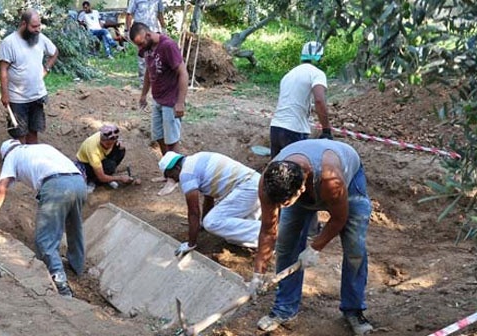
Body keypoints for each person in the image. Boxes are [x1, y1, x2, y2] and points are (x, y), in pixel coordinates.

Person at [251, 139, 372, 335]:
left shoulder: (331, 181)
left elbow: (340, 218)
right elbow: (267, 229)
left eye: (287, 203)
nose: (282, 207)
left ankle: (353, 309)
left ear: (301, 189)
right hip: (304, 184)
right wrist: (258, 272)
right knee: (286, 246)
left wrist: (314, 248)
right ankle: (285, 309)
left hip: (348, 180)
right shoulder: (269, 182)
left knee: (354, 248)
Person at [0, 140, 86, 298]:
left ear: (4, 155)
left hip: (56, 185)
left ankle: (61, 285)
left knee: (45, 239)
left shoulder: (11, 156)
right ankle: (77, 267)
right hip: (79, 182)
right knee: (75, 227)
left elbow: (1, 187)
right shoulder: (41, 147)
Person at [158, 151, 262, 256]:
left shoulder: (186, 174)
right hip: (257, 184)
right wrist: (202, 223)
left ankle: (272, 235)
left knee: (212, 222)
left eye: (170, 175)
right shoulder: (196, 159)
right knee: (234, 237)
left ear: (176, 168)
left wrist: (190, 244)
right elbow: (209, 197)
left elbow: (193, 212)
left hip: (248, 189)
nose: (173, 180)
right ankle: (267, 241)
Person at [130, 22, 188, 196]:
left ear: (148, 34)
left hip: (171, 100)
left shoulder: (168, 46)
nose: (140, 48)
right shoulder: (147, 48)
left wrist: (180, 102)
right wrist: (143, 95)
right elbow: (149, 71)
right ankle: (168, 171)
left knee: (172, 140)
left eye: (140, 43)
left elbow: (183, 73)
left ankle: (175, 178)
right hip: (158, 100)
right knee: (159, 137)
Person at [0, 9, 58, 144]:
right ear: (24, 24)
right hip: (17, 98)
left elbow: (54, 53)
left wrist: (46, 69)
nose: (38, 29)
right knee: (19, 135)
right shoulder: (9, 43)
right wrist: (5, 94)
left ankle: (31, 161)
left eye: (39, 25)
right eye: (34, 26)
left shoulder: (41, 38)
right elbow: (3, 70)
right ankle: (19, 162)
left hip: (37, 95)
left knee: (33, 132)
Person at [269, 41, 332, 157]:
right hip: (294, 130)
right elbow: (319, 100)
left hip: (275, 128)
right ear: (318, 57)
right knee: (297, 172)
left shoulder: (289, 75)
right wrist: (326, 129)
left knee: (275, 171)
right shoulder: (317, 74)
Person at [75, 124, 134, 191]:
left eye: (112, 143)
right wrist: (120, 178)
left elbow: (116, 142)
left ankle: (108, 176)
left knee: (120, 150)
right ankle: (93, 181)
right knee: (109, 166)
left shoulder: (107, 135)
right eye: (108, 144)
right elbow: (101, 177)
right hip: (86, 164)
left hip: (102, 158)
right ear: (101, 140)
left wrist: (120, 144)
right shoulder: (93, 151)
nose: (110, 146)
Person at [125, 0, 166, 84]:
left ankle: (156, 79)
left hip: (153, 31)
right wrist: (127, 30)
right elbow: (129, 14)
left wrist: (163, 28)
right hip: (140, 33)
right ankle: (143, 81)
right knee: (142, 57)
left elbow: (160, 14)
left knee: (156, 55)